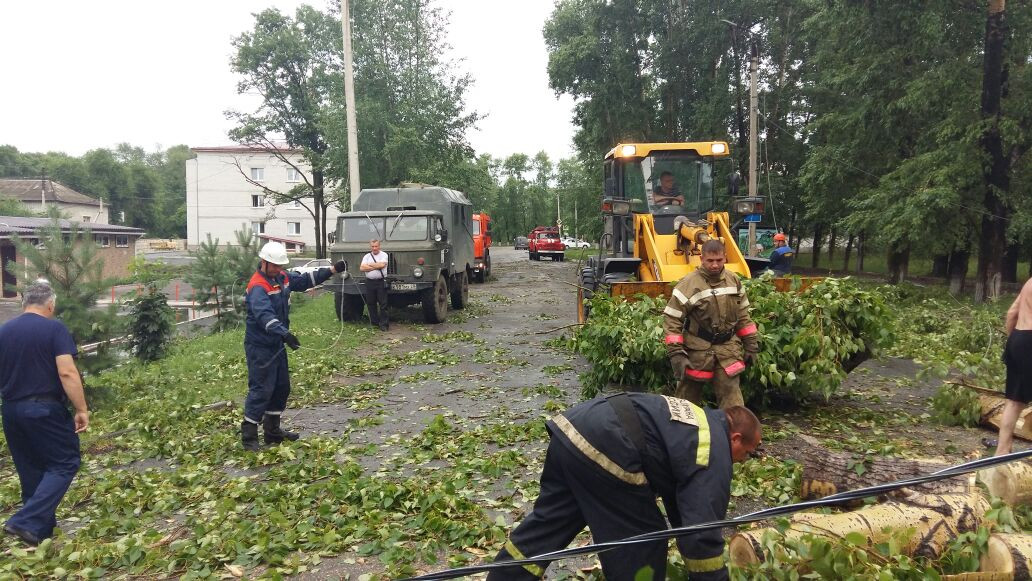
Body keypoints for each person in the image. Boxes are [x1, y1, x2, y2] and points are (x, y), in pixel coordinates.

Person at [487, 393, 761, 580]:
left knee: (550, 523)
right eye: (748, 454)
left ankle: (504, 576)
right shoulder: (715, 451)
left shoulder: (697, 422)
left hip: (573, 432)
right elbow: (700, 536)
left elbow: (686, 513)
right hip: (608, 445)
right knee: (644, 540)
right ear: (736, 438)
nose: (743, 461)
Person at [0, 279, 89, 545]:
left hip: (12, 410)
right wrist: (81, 408)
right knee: (65, 462)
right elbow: (67, 371)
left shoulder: (4, 331)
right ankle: (24, 522)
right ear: (51, 304)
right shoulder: (54, 329)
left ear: (24, 303)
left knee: (31, 471)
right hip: (43, 408)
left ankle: (38, 534)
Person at [242, 241, 346, 451]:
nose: (279, 270)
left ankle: (272, 432)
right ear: (264, 262)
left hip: (276, 345)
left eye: (281, 266)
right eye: (275, 266)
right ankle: (249, 436)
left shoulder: (282, 277)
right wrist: (285, 334)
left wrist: (333, 270)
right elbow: (264, 316)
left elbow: (305, 280)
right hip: (261, 346)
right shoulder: (257, 287)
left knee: (281, 387)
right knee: (262, 388)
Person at [663, 239, 760, 408]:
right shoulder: (688, 284)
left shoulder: (733, 280)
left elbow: (743, 315)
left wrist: (751, 345)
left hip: (728, 350)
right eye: (710, 261)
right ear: (701, 259)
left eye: (719, 260)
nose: (715, 265)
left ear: (725, 258)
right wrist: (676, 353)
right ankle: (682, 433)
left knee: (733, 401)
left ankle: (732, 433)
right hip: (697, 352)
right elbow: (672, 319)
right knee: (686, 402)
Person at [996, 278, 1032, 455]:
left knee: (1013, 401)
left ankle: (1002, 451)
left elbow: (1011, 313)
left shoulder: (1029, 283)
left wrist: (1014, 342)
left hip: (1018, 338)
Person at [360, 239, 390, 331]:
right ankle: (374, 323)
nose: (374, 248)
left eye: (376, 246)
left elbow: (382, 265)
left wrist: (368, 266)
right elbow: (361, 268)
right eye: (372, 246)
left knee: (383, 304)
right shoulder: (367, 256)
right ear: (371, 247)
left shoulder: (384, 255)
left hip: (381, 282)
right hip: (369, 282)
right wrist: (375, 265)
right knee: (370, 303)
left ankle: (384, 324)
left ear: (379, 246)